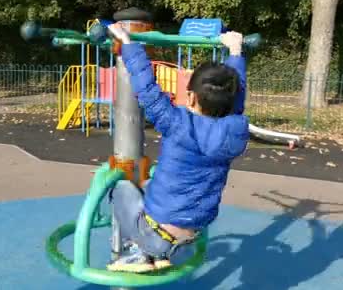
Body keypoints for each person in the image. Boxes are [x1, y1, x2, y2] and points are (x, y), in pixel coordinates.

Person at [105, 25, 250, 273]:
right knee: (149, 186)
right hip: (191, 236)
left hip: (155, 235)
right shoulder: (236, 128)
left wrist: (127, 43)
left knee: (119, 187)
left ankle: (139, 253)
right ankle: (158, 254)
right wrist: (236, 50)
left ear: (191, 97)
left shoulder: (177, 124)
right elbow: (237, 96)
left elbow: (146, 89)